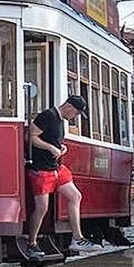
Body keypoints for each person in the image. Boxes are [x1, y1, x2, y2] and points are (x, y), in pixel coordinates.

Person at [26, 93, 90, 257]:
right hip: (42, 169)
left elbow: (51, 140)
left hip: (55, 168)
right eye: (75, 113)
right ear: (68, 107)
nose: (75, 117)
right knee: (42, 207)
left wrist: (61, 148)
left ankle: (77, 238)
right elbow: (31, 137)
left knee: (75, 196)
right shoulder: (48, 116)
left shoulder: (60, 120)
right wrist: (51, 148)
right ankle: (31, 243)